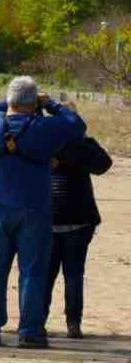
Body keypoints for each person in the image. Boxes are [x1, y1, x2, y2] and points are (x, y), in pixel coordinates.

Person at [0, 76, 86, 349]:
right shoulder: (44, 127)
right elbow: (77, 125)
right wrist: (50, 104)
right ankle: (30, 331)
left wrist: (7, 103)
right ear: (33, 102)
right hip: (35, 208)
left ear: (10, 100)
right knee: (33, 272)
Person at [45, 103, 112, 339]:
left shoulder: (44, 141)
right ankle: (73, 324)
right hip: (79, 218)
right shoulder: (81, 147)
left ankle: (37, 321)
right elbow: (104, 164)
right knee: (73, 275)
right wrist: (86, 138)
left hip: (49, 216)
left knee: (46, 275)